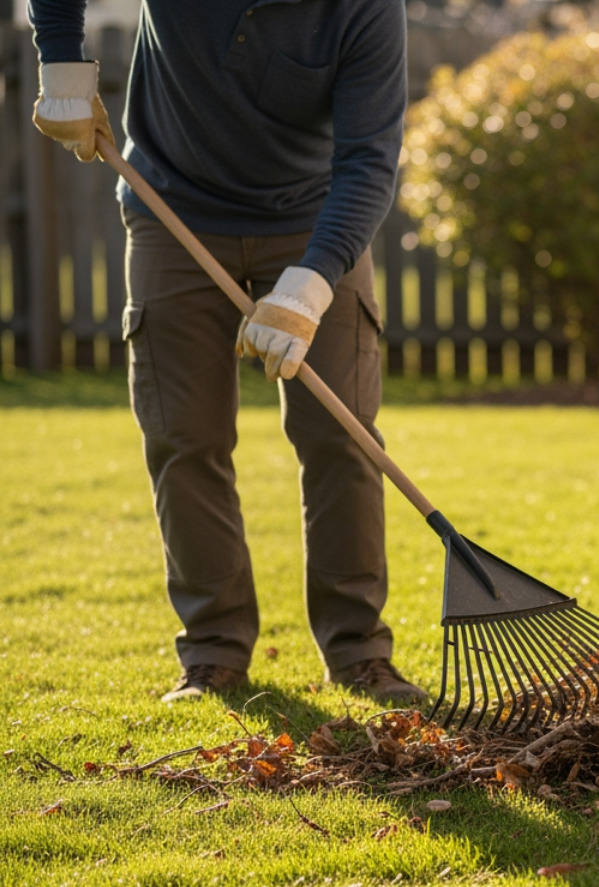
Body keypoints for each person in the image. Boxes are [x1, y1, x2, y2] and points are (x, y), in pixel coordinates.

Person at [28, 1, 427, 705]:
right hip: (171, 207)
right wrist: (60, 58)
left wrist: (309, 286)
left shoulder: (364, 7)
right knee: (185, 438)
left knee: (343, 438)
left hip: (315, 222)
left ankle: (359, 651)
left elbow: (369, 161)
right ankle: (213, 649)